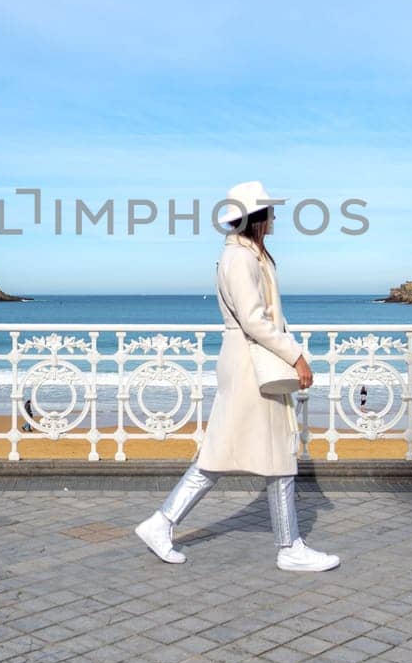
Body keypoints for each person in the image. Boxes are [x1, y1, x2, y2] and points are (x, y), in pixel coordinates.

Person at [136, 180, 340, 574]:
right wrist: (296, 356)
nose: (276, 215)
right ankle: (288, 546)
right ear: (257, 217)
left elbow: (261, 317)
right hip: (251, 363)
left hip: (249, 360)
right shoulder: (240, 258)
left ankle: (162, 523)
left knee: (238, 451)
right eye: (271, 210)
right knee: (261, 452)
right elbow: (253, 319)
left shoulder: (247, 253)